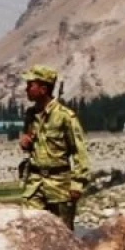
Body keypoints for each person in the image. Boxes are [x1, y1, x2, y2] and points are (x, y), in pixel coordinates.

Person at [19, 65, 89, 229]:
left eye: (30, 85)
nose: (26, 89)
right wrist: (25, 143)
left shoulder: (64, 116)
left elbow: (79, 152)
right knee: (30, 230)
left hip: (59, 186)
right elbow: (31, 143)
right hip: (34, 184)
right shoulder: (30, 115)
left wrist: (77, 184)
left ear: (43, 89)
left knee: (61, 233)